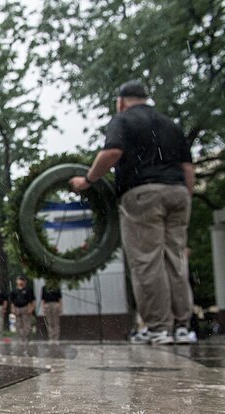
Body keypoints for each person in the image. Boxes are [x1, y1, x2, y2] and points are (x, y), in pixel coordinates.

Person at [70, 80, 194, 346]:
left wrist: (88, 180)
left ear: (121, 100)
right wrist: (186, 197)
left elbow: (112, 151)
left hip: (143, 193)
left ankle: (159, 327)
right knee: (175, 259)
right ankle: (183, 325)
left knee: (147, 261)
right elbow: (187, 167)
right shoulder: (170, 125)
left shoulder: (123, 120)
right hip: (178, 193)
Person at [10, 275, 35, 341]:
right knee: (18, 324)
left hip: (26, 308)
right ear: (17, 281)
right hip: (17, 308)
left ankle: (26, 337)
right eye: (19, 280)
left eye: (22, 280)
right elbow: (12, 301)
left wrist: (31, 308)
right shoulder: (14, 290)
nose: (20, 281)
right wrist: (12, 308)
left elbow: (32, 300)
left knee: (26, 324)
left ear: (24, 281)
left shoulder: (28, 289)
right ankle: (20, 338)